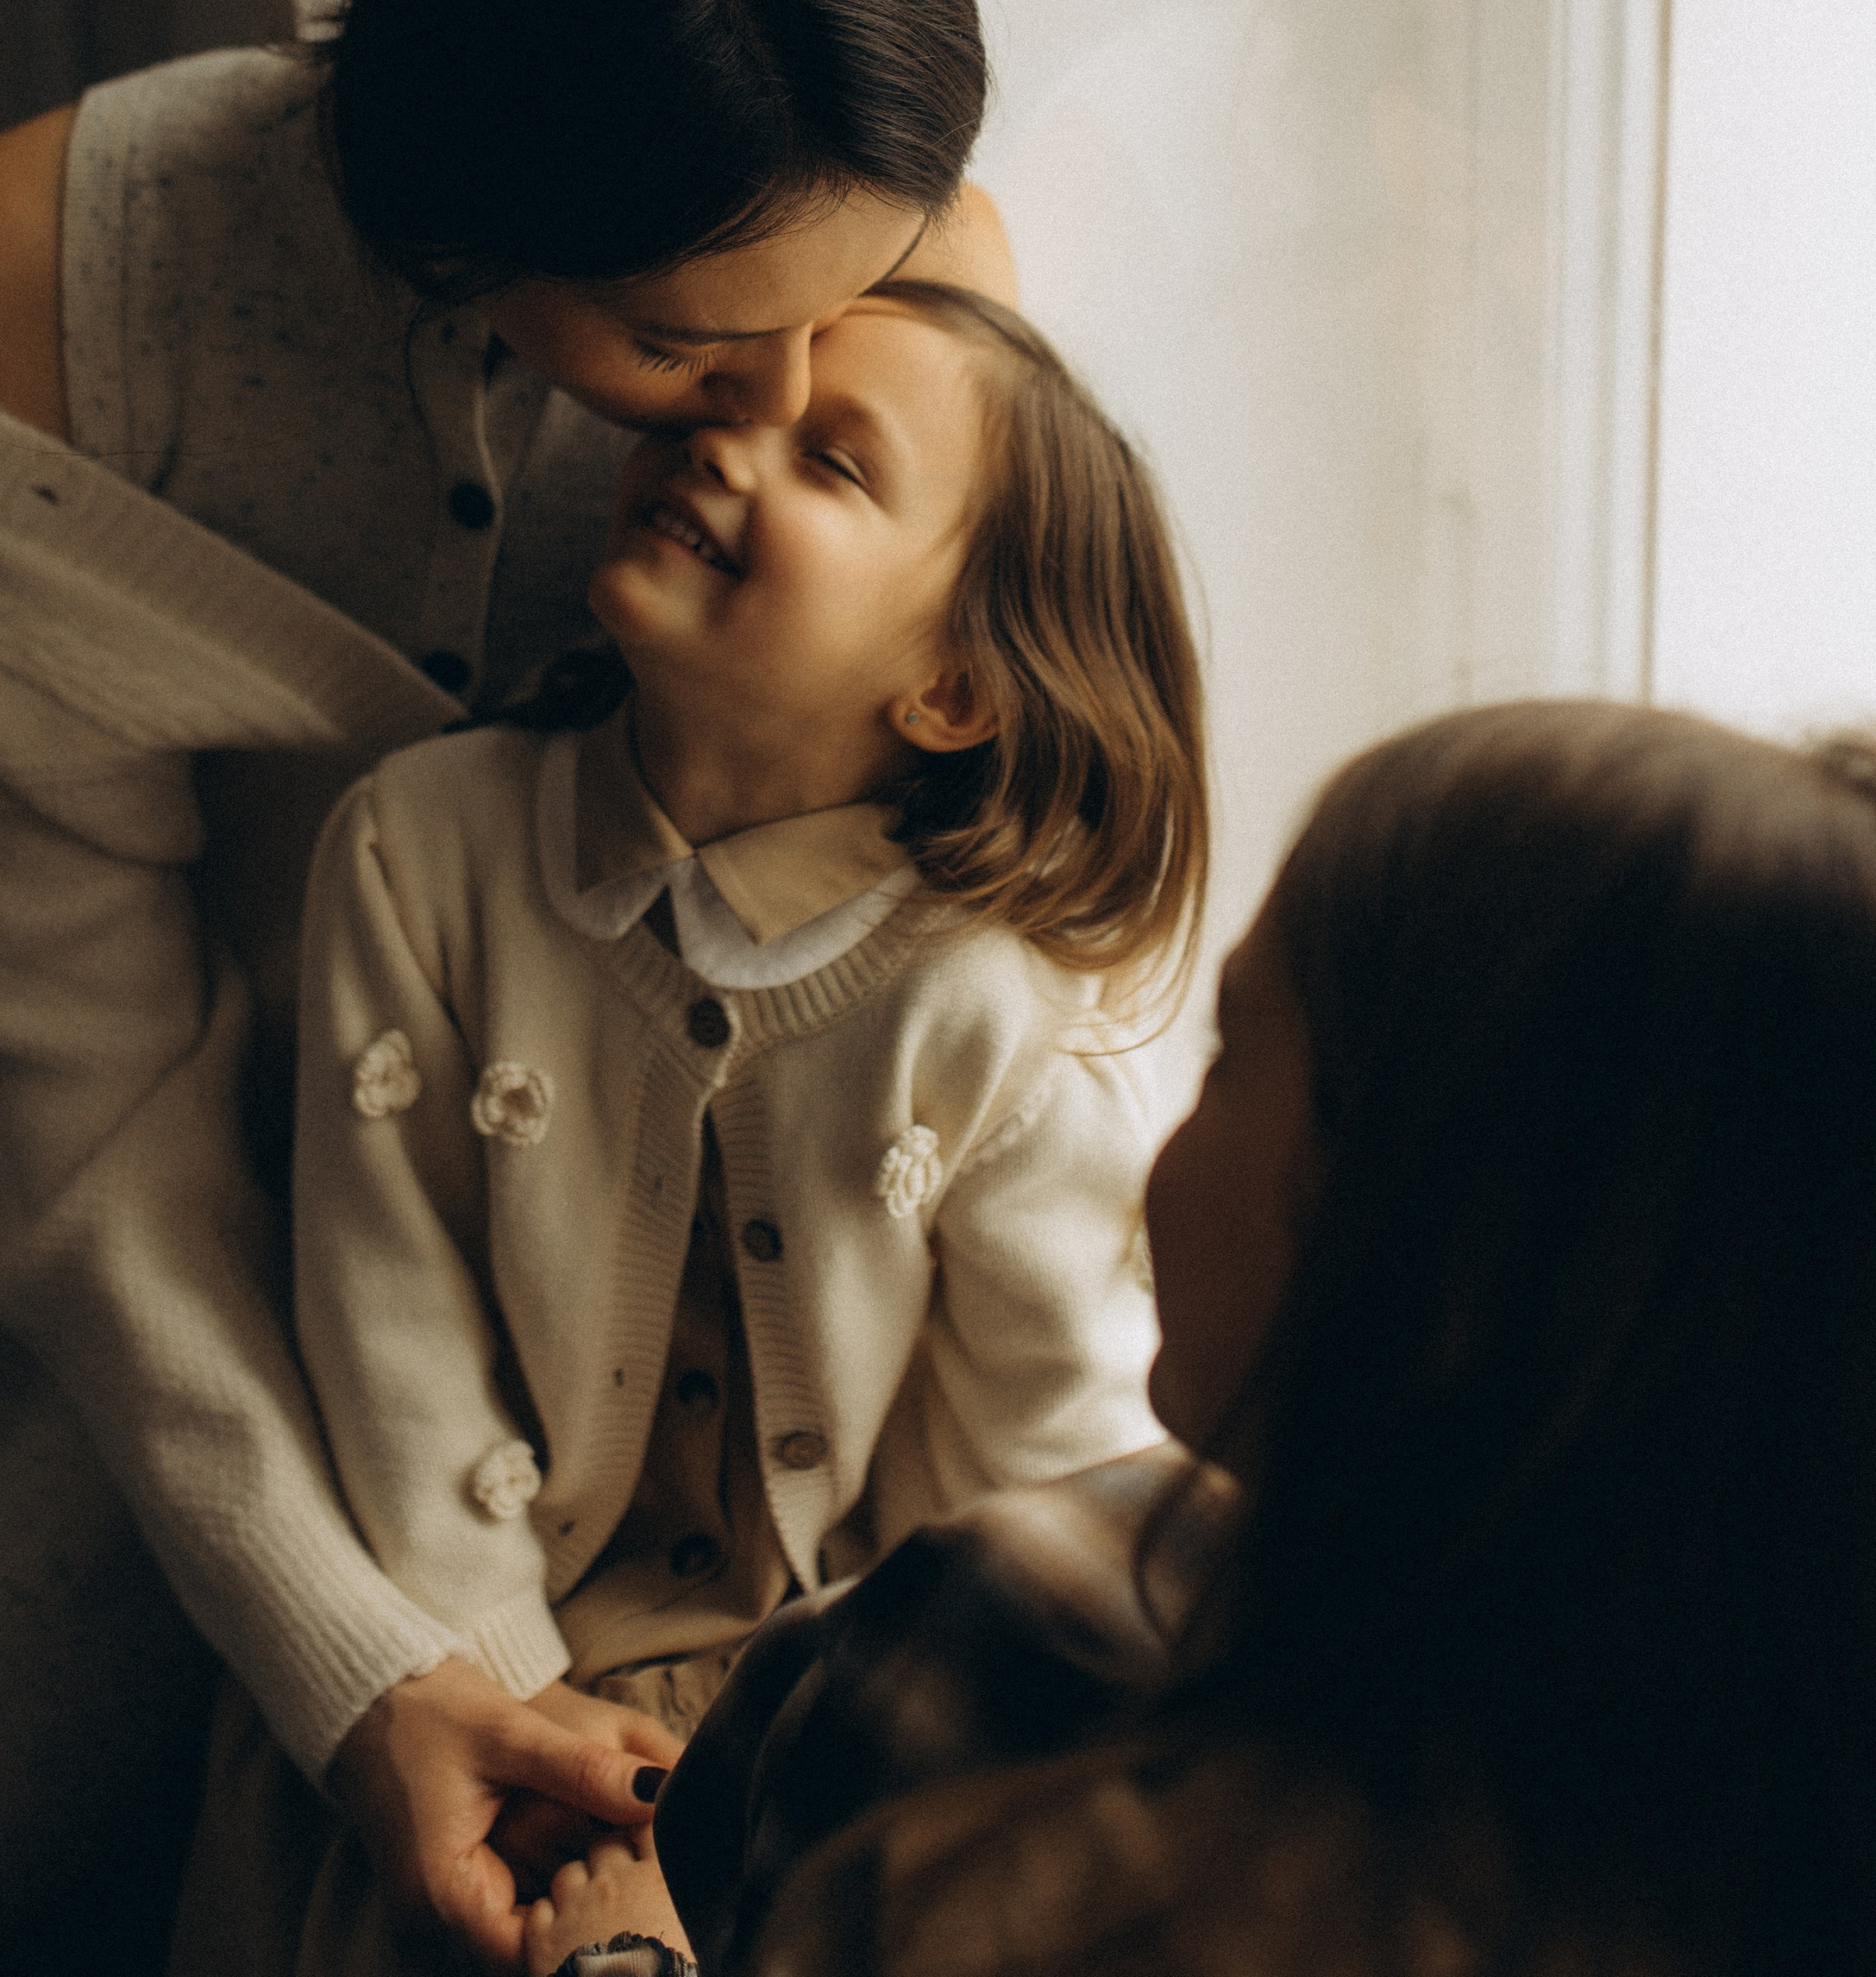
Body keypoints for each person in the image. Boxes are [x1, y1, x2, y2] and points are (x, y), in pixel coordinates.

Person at [0, 0, 1020, 1977]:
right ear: (472, 232)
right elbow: (82, 1108)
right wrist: (367, 1665)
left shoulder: (884, 240)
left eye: (845, 325)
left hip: (658, 1255)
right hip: (117, 1224)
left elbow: (936, 865)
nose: (795, 392)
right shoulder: (16, 295)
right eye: (709, 347)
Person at [168, 275, 1207, 1976]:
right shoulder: (417, 853)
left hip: (826, 1715)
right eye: (731, 404)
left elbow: (1034, 1465)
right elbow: (386, 1323)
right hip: (457, 1660)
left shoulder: (990, 1013)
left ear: (948, 692)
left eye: (832, 462)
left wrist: (875, 1768)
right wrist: (509, 1703)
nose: (730, 438)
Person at [651, 701, 1876, 1977]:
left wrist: (619, 1955)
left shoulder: (989, 1662)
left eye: (1230, 1050)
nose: (1152, 1162)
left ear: (1412, 1224)